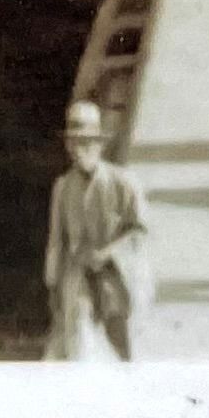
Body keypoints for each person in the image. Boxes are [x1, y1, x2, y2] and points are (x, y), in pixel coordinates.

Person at [43, 99, 151, 359]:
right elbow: (57, 240)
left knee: (122, 344)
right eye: (73, 143)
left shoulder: (122, 182)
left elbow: (140, 229)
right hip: (79, 275)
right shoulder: (63, 187)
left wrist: (108, 253)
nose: (78, 150)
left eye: (86, 142)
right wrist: (52, 283)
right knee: (77, 343)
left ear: (99, 145)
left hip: (117, 274)